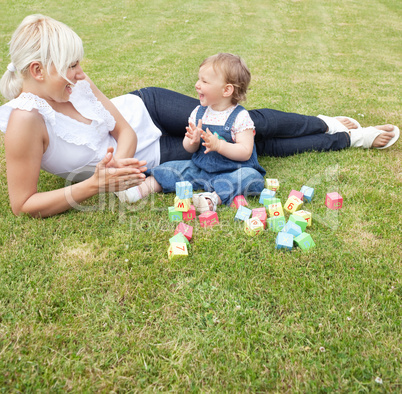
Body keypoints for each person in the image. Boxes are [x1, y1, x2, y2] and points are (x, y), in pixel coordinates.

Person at [0, 15, 399, 218]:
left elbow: (122, 127)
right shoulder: (24, 123)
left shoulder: (77, 84)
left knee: (244, 121)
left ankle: (324, 122)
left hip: (149, 112)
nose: (81, 73)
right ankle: (351, 139)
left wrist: (120, 160)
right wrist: (93, 186)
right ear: (38, 71)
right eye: (72, 66)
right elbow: (23, 204)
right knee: (251, 148)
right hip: (157, 157)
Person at [117, 53, 267, 212]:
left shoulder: (241, 117)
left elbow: (245, 152)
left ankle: (212, 198)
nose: (197, 85)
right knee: (173, 168)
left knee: (251, 177)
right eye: (198, 79)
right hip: (201, 169)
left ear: (226, 90)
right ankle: (141, 189)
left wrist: (220, 145)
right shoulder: (199, 112)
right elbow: (188, 148)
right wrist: (192, 141)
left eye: (204, 81)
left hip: (234, 170)